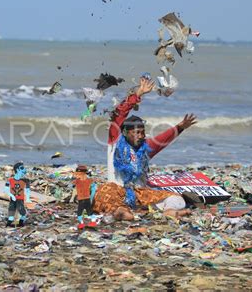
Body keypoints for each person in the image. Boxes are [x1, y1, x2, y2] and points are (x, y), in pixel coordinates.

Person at [95, 74, 197, 220]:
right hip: (117, 192)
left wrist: (180, 127)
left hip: (140, 194)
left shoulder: (146, 148)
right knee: (104, 192)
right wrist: (138, 94)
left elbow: (164, 138)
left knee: (177, 199)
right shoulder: (115, 141)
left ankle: (169, 211)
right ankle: (120, 211)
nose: (141, 136)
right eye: (137, 132)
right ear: (125, 132)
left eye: (143, 132)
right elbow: (119, 114)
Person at [5, 162, 32, 227]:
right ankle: (12, 225)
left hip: (20, 199)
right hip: (13, 199)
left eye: (24, 168)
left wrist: (28, 198)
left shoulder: (26, 180)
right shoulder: (10, 180)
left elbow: (27, 190)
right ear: (17, 170)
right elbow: (6, 190)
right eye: (22, 168)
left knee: (23, 214)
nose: (24, 170)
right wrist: (11, 195)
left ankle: (20, 224)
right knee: (11, 215)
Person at [72, 165, 98, 230]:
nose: (77, 175)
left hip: (82, 199)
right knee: (89, 212)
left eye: (78, 173)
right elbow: (94, 189)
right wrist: (91, 198)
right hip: (87, 199)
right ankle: (93, 222)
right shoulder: (89, 180)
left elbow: (73, 183)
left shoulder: (77, 181)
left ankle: (81, 224)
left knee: (79, 213)